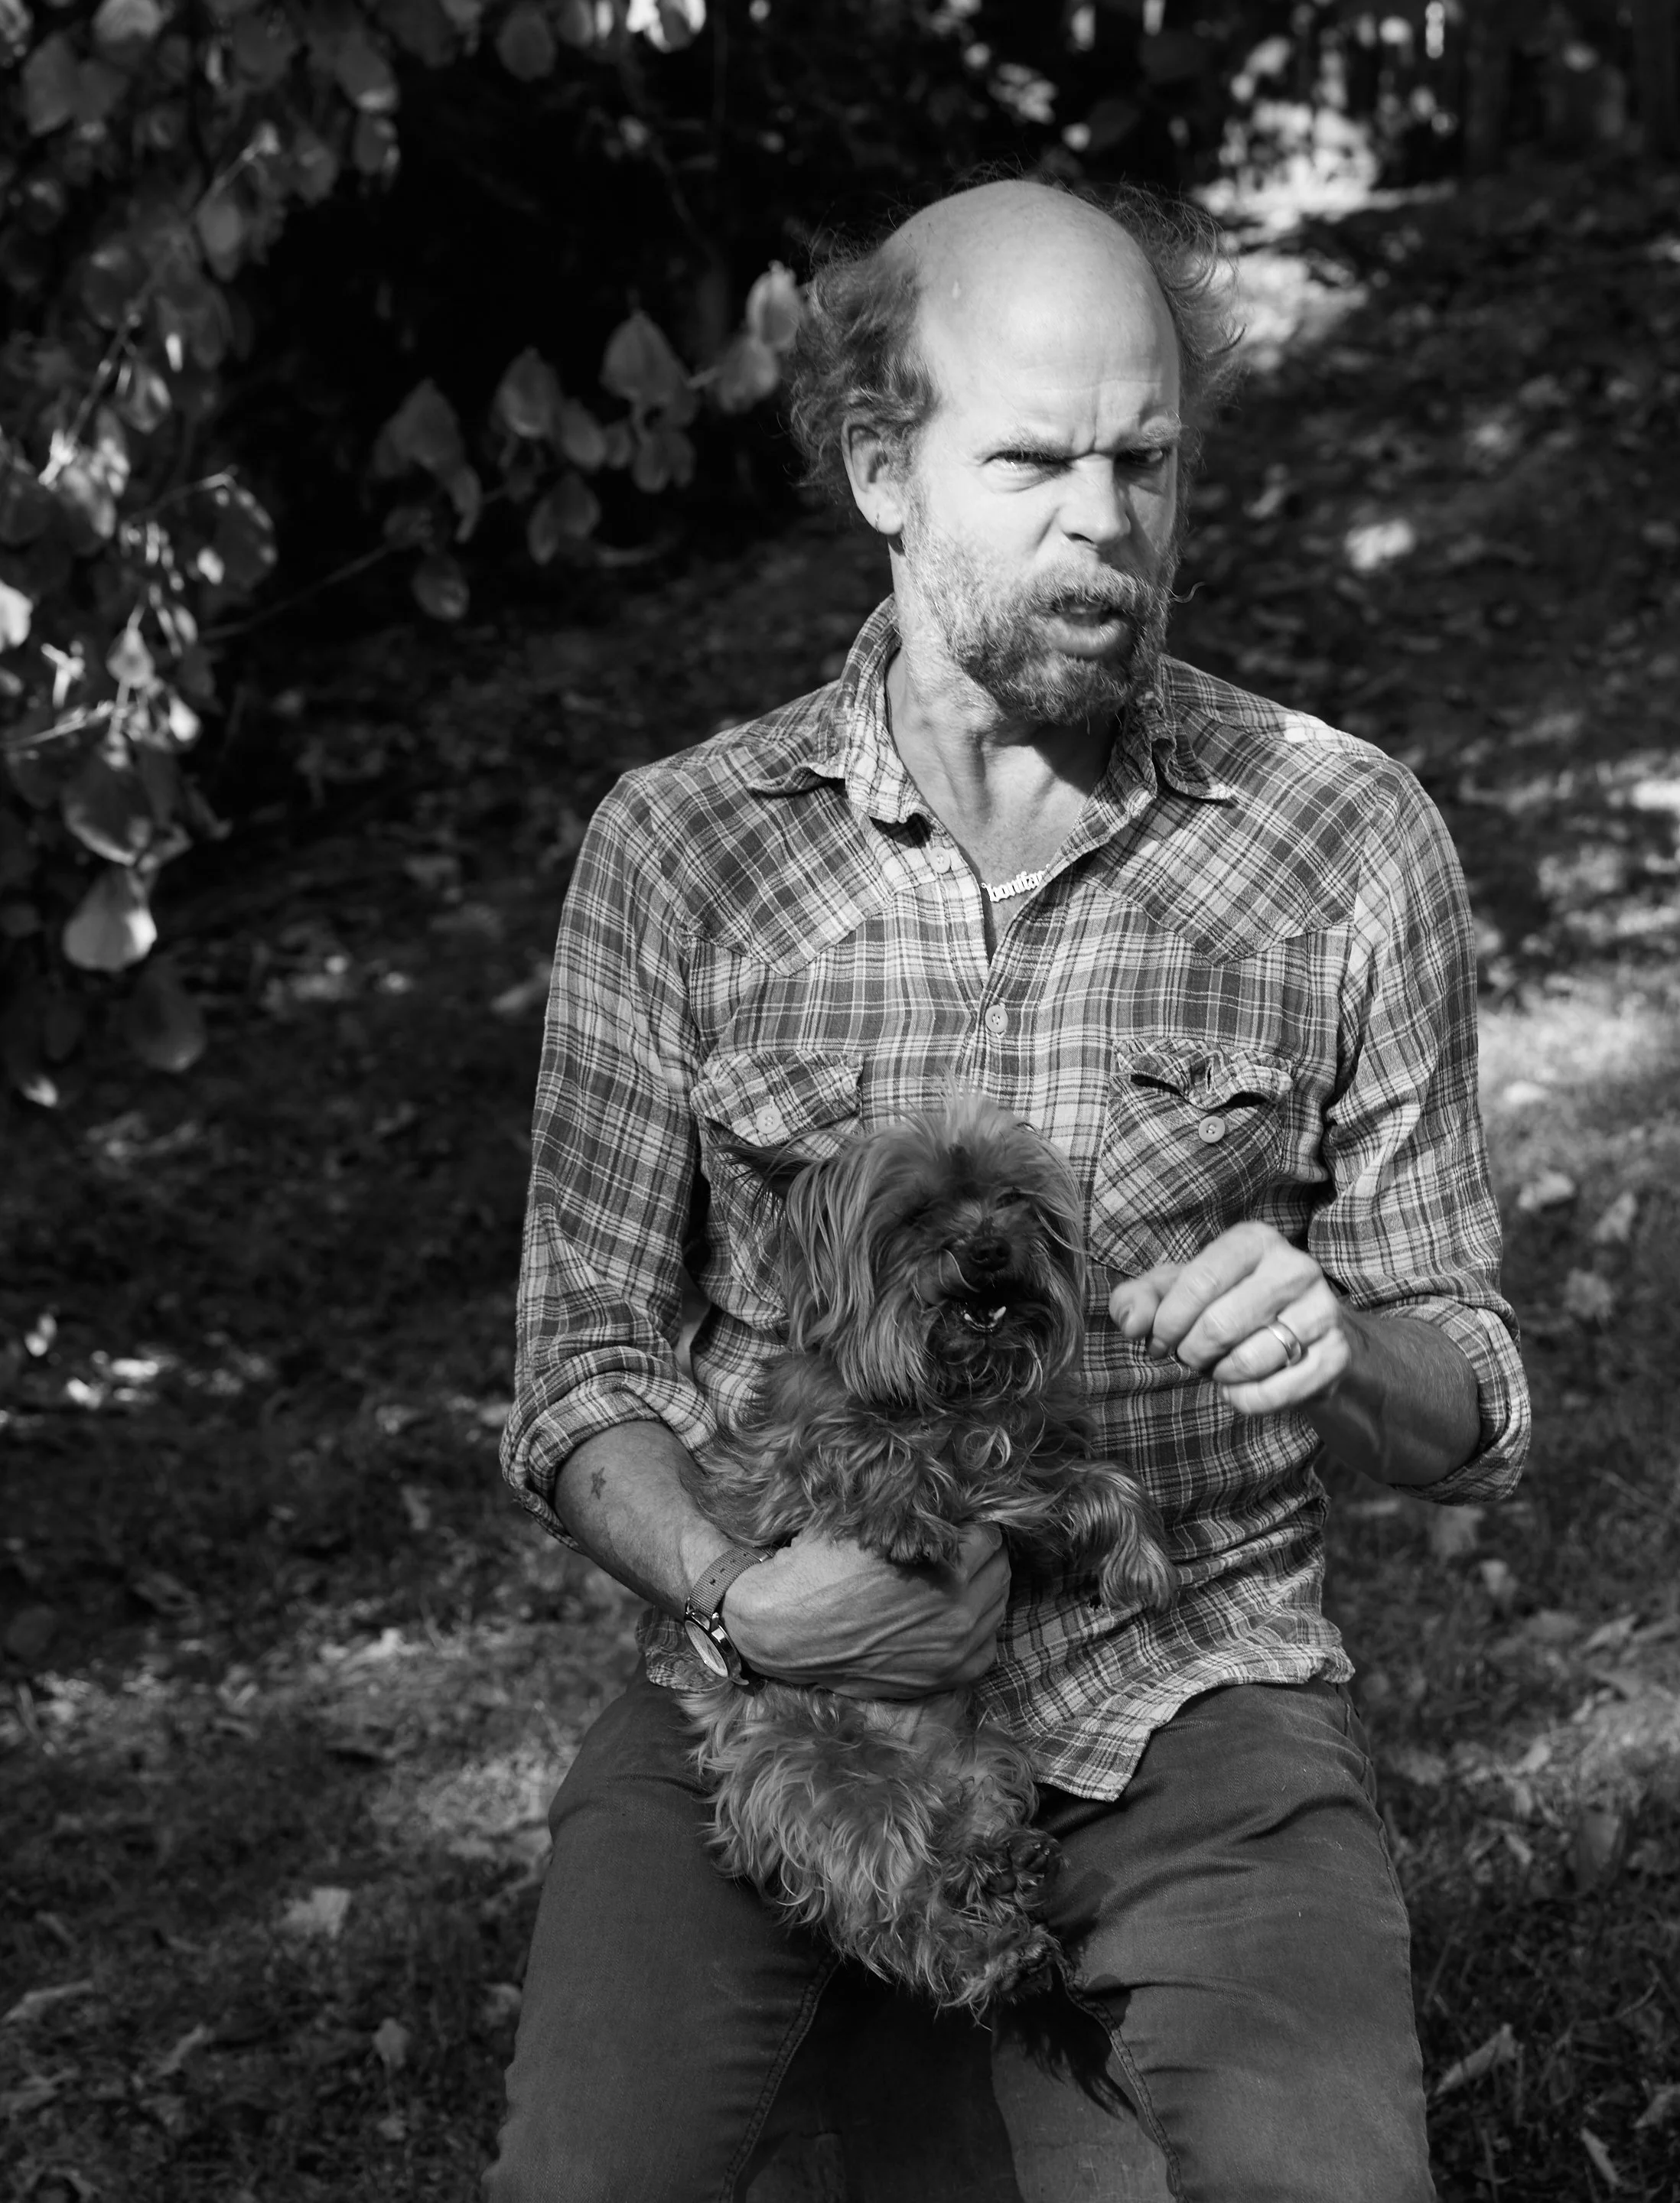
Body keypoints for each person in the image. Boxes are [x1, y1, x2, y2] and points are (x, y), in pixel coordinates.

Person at [486, 178, 1531, 2203]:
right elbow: (578, 1352)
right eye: (1037, 458)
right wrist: (741, 1594)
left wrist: (1341, 1351)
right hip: (767, 1697)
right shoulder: (683, 850)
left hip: (1190, 1702)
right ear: (883, 465)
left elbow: (1471, 1398)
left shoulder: (1341, 839)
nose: (1108, 517)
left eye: (1147, 458)